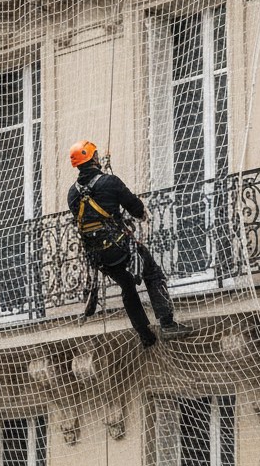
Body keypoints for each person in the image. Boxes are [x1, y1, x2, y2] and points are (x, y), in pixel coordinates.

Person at [67, 140, 194, 347]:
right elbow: (135, 208)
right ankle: (167, 323)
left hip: (98, 256)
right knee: (152, 273)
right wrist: (142, 215)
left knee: (127, 287)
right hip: (120, 247)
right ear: (93, 159)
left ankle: (145, 335)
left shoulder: (72, 194)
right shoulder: (110, 182)